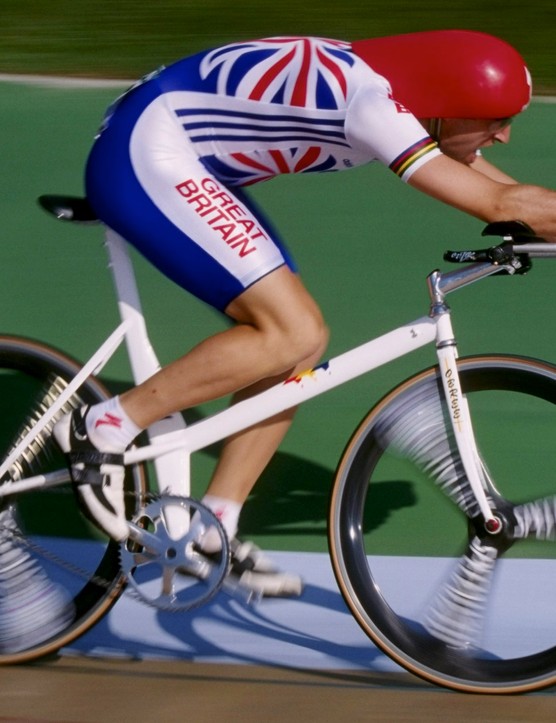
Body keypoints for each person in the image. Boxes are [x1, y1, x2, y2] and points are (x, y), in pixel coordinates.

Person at [53, 29, 554, 596]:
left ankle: (214, 525)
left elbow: (502, 196)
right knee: (290, 330)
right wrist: (524, 217)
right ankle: (106, 424)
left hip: (184, 154)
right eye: (492, 119)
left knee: (303, 344)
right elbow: (495, 203)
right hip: (145, 150)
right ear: (443, 103)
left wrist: (533, 229)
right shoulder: (372, 103)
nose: (504, 135)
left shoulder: (404, 96)